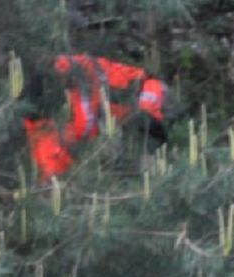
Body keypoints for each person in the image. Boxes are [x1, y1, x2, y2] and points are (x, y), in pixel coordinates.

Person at [23, 53, 169, 181]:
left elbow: (148, 82)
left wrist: (146, 112)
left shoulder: (87, 70)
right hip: (91, 161)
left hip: (136, 130)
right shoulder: (42, 127)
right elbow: (52, 177)